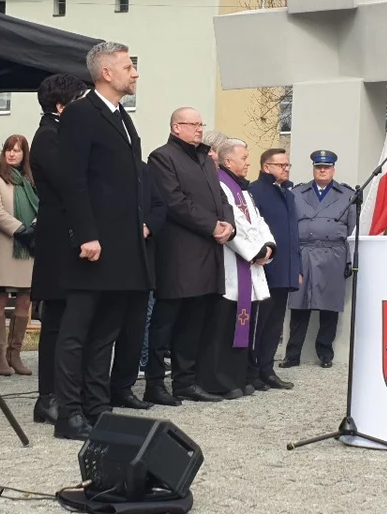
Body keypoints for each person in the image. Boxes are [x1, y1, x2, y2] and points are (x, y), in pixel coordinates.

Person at [54, 41, 151, 440]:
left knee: (106, 332)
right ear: (106, 73)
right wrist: (86, 234)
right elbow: (72, 180)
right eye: (129, 66)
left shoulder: (123, 118)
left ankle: (97, 406)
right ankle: (69, 412)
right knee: (77, 332)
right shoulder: (81, 113)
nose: (135, 73)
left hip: (122, 247)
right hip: (92, 247)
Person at [145, 107, 235, 405]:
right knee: (166, 321)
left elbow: (221, 197)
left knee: (195, 321)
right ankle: (155, 384)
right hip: (179, 253)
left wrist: (228, 224)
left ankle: (186, 382)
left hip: (209, 253)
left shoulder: (206, 160)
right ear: (175, 127)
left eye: (201, 124)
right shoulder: (162, 158)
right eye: (192, 124)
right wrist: (212, 226)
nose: (199, 129)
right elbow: (173, 201)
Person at [29, 73, 91, 425]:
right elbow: (70, 181)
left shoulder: (61, 133)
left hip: (65, 237)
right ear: (61, 105)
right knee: (54, 322)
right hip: (57, 240)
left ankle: (68, 391)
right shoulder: (48, 136)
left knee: (69, 320)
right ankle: (47, 395)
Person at [200, 139, 275, 399]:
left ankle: (238, 376)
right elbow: (234, 224)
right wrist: (254, 251)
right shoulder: (221, 185)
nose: (248, 162)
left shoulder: (244, 189)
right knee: (223, 327)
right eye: (244, 157)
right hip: (230, 264)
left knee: (242, 324)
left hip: (250, 263)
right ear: (228, 161)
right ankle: (219, 380)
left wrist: (268, 246)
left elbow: (258, 220)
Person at [281, 150, 355, 369]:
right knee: (299, 306)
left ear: (333, 169)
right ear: (313, 168)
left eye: (327, 167)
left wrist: (348, 258)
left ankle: (325, 354)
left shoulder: (347, 195)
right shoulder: (296, 193)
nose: (322, 170)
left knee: (329, 307)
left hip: (332, 254)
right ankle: (292, 355)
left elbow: (352, 230)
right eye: (318, 167)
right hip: (303, 253)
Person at [108, 160, 167, 409]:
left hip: (142, 260)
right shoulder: (103, 167)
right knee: (106, 330)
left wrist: (148, 226)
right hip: (111, 259)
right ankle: (94, 390)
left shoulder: (143, 170)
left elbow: (159, 205)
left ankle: (123, 387)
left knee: (134, 330)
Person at [0, 135, 38, 377]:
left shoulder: (31, 180)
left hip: (29, 247)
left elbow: (41, 205)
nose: (13, 154)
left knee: (25, 299)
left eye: (18, 150)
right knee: (0, 298)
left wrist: (35, 227)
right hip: (6, 244)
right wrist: (20, 229)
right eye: (9, 149)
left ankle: (14, 355)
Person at [248, 148, 301, 390]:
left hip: (285, 269)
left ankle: (267, 369)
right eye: (281, 165)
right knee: (259, 321)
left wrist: (296, 267)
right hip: (265, 268)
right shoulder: (254, 192)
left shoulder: (288, 194)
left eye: (287, 165)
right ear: (266, 167)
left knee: (275, 323)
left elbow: (293, 235)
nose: (286, 169)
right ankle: (253, 370)